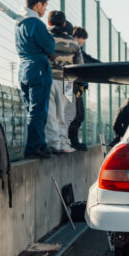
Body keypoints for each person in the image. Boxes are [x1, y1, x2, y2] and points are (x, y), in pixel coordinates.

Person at [15, 0, 57, 158]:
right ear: (38, 4)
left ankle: (36, 145)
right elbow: (50, 47)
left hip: (24, 68)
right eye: (45, 5)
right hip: (39, 67)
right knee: (39, 110)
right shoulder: (36, 23)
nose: (45, 9)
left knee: (30, 109)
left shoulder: (19, 23)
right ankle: (35, 147)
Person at [45, 11, 82, 154]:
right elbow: (79, 64)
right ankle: (64, 143)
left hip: (49, 79)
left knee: (51, 113)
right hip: (67, 82)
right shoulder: (73, 42)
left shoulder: (46, 38)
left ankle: (54, 144)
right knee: (64, 114)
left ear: (49, 23)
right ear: (65, 24)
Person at [67, 26, 99, 151]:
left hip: (78, 85)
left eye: (84, 39)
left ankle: (73, 140)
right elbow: (85, 61)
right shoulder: (71, 48)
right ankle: (71, 141)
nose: (82, 41)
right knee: (73, 114)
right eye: (81, 38)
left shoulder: (80, 50)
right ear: (75, 37)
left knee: (79, 115)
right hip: (69, 85)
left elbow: (89, 59)